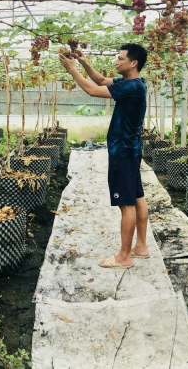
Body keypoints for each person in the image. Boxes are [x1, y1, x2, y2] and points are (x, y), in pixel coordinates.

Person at [59, 43, 150, 269]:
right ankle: (141, 246)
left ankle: (124, 257)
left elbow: (92, 90)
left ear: (133, 63)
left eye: (120, 58)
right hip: (131, 149)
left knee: (126, 204)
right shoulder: (133, 83)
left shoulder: (132, 87)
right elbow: (100, 80)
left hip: (123, 151)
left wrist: (72, 69)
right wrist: (84, 62)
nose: (116, 62)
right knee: (137, 197)